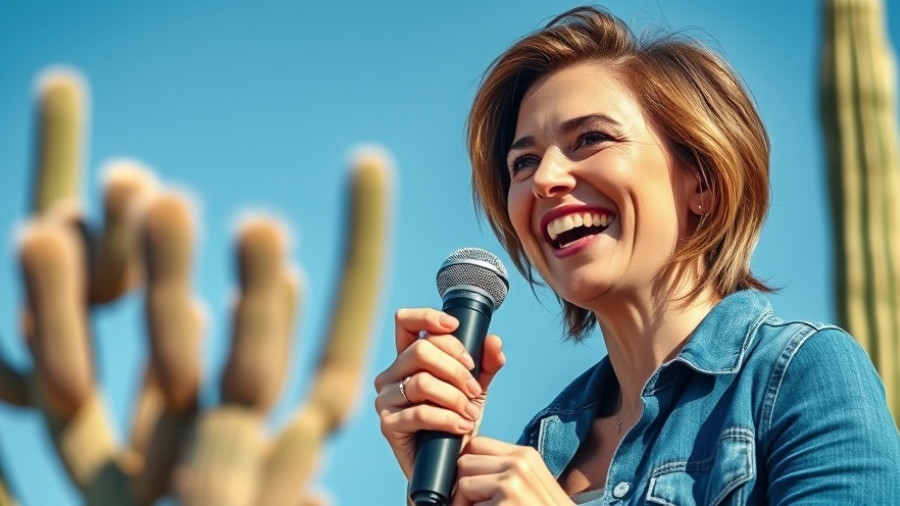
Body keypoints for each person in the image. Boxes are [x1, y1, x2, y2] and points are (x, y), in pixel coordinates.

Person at [374, 5, 900, 504]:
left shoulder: (801, 374)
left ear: (703, 182)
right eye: (523, 162)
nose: (546, 179)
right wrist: (437, 485)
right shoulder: (541, 445)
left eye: (591, 138)